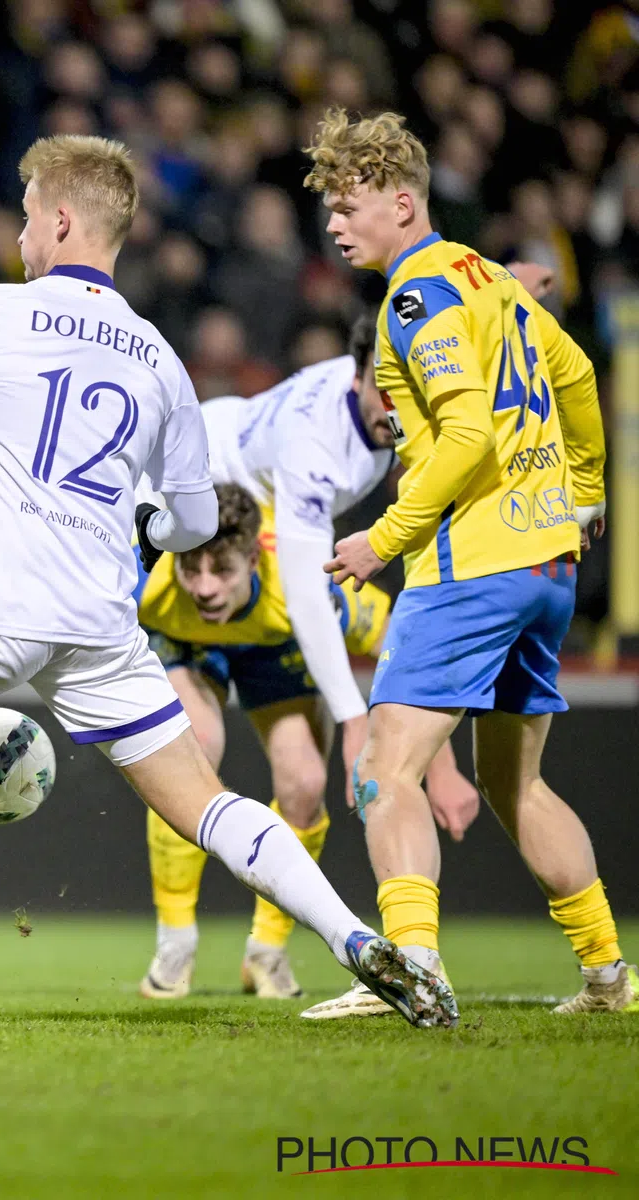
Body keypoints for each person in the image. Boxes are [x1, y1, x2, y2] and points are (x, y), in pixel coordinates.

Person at [0, 133, 456, 1029]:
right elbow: (196, 521)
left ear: (62, 219)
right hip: (97, 629)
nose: (22, 229)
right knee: (210, 803)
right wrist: (142, 520)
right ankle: (357, 938)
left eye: (30, 212)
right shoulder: (159, 359)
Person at [304, 108, 632, 1018]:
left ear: (403, 203)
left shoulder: (414, 297)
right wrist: (589, 489)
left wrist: (386, 538)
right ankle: (607, 974)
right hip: (548, 566)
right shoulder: (494, 281)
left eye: (350, 204)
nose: (335, 222)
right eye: (330, 206)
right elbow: (573, 377)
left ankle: (412, 968)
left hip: (472, 565)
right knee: (513, 780)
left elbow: (465, 434)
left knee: (383, 768)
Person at [135, 319, 482, 1003]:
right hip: (190, 643)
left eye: (220, 571)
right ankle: (175, 944)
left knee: (299, 782)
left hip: (271, 640)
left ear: (254, 560)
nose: (203, 585)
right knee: (194, 743)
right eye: (193, 568)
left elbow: (397, 642)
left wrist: (437, 764)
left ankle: (266, 951)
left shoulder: (304, 587)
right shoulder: (152, 578)